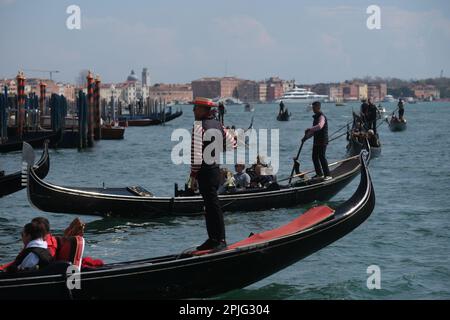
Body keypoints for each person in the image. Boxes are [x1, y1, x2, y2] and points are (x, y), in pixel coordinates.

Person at [189, 97, 236, 251]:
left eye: (196, 107)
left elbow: (196, 155)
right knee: (210, 206)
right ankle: (213, 238)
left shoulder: (198, 127)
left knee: (212, 206)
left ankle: (220, 240)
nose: (193, 110)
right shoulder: (218, 125)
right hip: (215, 170)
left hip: (205, 171)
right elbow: (233, 144)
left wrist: (193, 175)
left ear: (203, 110)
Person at [303, 101, 331, 181]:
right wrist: (306, 138)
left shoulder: (322, 117)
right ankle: (319, 174)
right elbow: (313, 132)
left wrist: (309, 129)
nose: (313, 109)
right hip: (316, 141)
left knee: (322, 157)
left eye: (314, 107)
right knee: (314, 157)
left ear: (318, 108)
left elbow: (320, 126)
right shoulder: (315, 117)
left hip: (322, 140)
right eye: (312, 108)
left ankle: (328, 175)